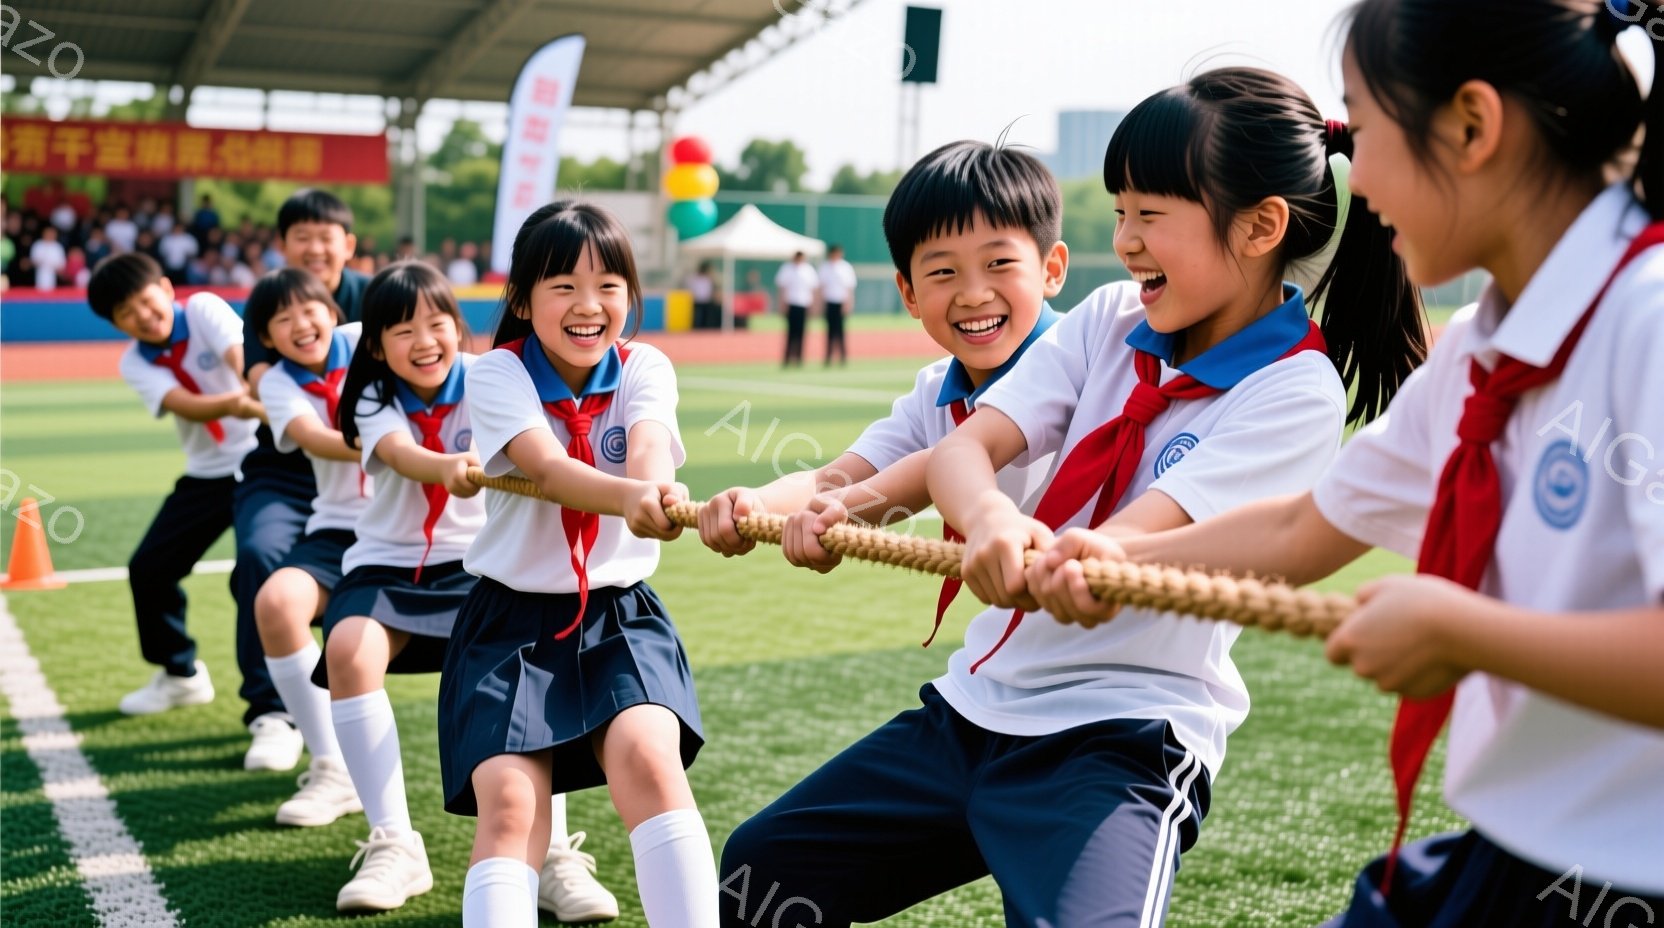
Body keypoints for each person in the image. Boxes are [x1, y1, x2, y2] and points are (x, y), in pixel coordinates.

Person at [724, 67, 1426, 927]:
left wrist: (1067, 555)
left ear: (1259, 227)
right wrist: (987, 518)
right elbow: (966, 448)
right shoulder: (1106, 317)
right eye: (1120, 210)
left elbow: (1133, 542)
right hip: (974, 708)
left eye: (1150, 215)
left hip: (1121, 738)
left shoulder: (1294, 389)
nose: (1125, 240)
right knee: (761, 871)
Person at [1029, 4, 1664, 924]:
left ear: (1473, 127)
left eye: (1362, 131)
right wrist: (1116, 560)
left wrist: (1466, 633)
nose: (1352, 175)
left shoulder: (1646, 320)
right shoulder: (1487, 349)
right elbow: (1303, 526)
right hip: (1521, 854)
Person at [440, 201, 714, 926]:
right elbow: (550, 470)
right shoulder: (499, 373)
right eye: (563, 285)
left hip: (620, 614)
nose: (588, 305)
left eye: (608, 285)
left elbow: (650, 441)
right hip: (511, 625)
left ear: (631, 295)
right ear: (524, 300)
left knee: (651, 764)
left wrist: (657, 489)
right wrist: (633, 497)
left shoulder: (644, 364)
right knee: (509, 803)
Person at [699, 139, 1069, 645]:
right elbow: (833, 481)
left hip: (1125, 684)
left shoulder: (1083, 356)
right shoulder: (936, 389)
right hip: (1002, 671)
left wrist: (836, 510)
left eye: (999, 264)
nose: (974, 293)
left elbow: (928, 468)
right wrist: (754, 503)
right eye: (943, 271)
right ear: (909, 294)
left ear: (1051, 270)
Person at [233, 189, 374, 773]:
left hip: (380, 473)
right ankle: (273, 713)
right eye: (301, 237)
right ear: (283, 245)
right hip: (289, 469)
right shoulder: (268, 305)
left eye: (326, 236)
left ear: (348, 244)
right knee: (261, 556)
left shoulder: (377, 300)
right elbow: (266, 384)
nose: (315, 247)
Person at [87, 254, 262, 716]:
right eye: (127, 313)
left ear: (165, 287)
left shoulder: (203, 307)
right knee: (149, 568)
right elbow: (185, 404)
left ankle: (271, 707)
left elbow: (242, 360)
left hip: (262, 462)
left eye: (145, 301)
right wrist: (240, 403)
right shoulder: (134, 362)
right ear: (116, 323)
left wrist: (255, 395)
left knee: (256, 571)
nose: (143, 316)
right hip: (207, 472)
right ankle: (178, 672)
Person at [774, 251, 818, 367]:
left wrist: (813, 305)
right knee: (790, 333)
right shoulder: (787, 269)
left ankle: (799, 358)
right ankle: (787, 358)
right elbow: (782, 288)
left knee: (801, 333)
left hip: (804, 304)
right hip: (791, 303)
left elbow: (813, 289)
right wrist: (782, 304)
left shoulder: (808, 270)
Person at [818, 244, 856, 365]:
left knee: (840, 331)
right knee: (830, 331)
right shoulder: (825, 267)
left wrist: (849, 303)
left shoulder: (845, 267)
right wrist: (820, 303)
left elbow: (849, 288)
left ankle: (842, 357)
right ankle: (828, 357)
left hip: (841, 302)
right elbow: (821, 287)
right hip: (829, 302)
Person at [687, 261, 720, 330]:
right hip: (698, 300)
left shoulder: (708, 278)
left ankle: (703, 328)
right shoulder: (696, 278)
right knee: (697, 316)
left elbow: (710, 289)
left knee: (705, 316)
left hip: (705, 300)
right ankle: (697, 328)